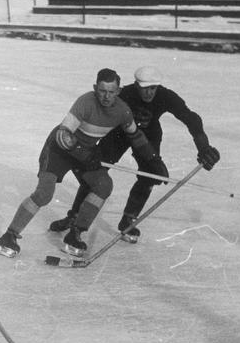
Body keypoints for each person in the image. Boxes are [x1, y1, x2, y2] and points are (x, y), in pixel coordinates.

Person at [0, 68, 168, 258]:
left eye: (111, 92)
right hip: (58, 151)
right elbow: (63, 135)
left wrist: (154, 160)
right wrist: (83, 154)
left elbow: (136, 136)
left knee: (103, 185)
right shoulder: (85, 102)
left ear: (118, 91)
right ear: (95, 88)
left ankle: (75, 234)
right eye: (102, 91)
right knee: (44, 193)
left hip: (84, 152)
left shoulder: (122, 111)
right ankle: (9, 236)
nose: (106, 96)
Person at [49, 66, 220, 243]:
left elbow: (191, 118)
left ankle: (128, 219)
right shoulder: (126, 94)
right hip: (119, 134)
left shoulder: (165, 96)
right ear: (137, 85)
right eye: (144, 88)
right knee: (95, 171)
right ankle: (74, 217)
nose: (149, 93)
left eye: (153, 88)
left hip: (148, 136)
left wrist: (204, 147)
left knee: (150, 176)